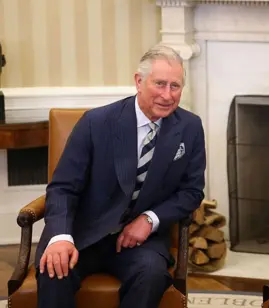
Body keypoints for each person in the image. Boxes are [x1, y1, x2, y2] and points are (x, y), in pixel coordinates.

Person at [35, 44, 206, 308]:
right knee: (54, 269)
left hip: (141, 241)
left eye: (175, 86)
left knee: (151, 275)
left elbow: (192, 191)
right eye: (160, 84)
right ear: (139, 81)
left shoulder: (190, 127)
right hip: (83, 232)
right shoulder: (95, 122)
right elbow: (63, 188)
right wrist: (60, 236)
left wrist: (150, 220)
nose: (167, 95)